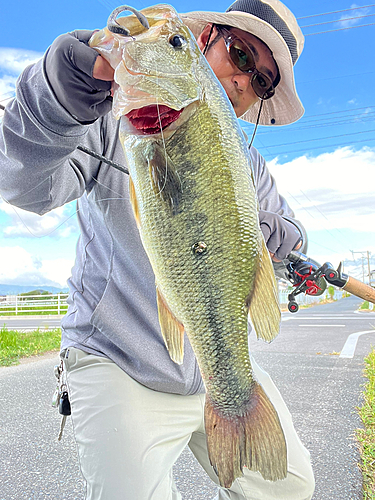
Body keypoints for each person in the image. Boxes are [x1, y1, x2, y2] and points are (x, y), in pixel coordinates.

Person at [0, 0, 315, 498]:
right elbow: (24, 186)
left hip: (213, 366)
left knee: (290, 488)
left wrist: (285, 237)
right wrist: (55, 101)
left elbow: (290, 236)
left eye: (263, 82)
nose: (243, 81)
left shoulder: (248, 163)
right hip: (118, 362)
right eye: (240, 54)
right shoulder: (109, 118)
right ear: (206, 37)